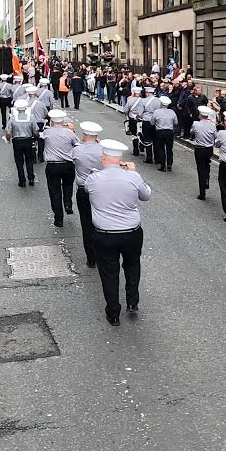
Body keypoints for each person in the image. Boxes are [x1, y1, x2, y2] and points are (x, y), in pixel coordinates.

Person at [85, 139, 151, 326]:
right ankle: (132, 300)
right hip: (131, 232)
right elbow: (146, 195)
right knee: (132, 265)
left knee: (109, 273)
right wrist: (133, 173)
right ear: (120, 160)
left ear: (104, 158)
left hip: (105, 234)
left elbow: (88, 190)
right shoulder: (133, 177)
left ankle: (113, 312)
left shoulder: (93, 178)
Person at [72, 122, 105, 269]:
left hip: (84, 190)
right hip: (101, 191)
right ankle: (102, 254)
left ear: (84, 135)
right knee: (102, 223)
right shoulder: (104, 150)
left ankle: (91, 258)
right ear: (97, 136)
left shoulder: (78, 150)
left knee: (86, 223)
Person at [40, 110, 79, 227]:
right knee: (68, 185)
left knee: (54, 191)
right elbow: (77, 144)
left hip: (52, 165)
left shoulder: (46, 132)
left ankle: (58, 218)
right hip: (67, 164)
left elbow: (39, 136)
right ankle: (68, 203)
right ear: (63, 121)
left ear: (52, 121)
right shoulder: (70, 133)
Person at [5, 99, 39, 188]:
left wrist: (8, 139)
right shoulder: (31, 118)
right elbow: (35, 131)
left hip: (17, 141)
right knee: (29, 160)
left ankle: (22, 181)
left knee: (19, 162)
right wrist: (36, 138)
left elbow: (8, 133)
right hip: (28, 140)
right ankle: (31, 178)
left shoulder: (12, 119)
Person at [191, 106, 217, 200]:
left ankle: (202, 193)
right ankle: (207, 178)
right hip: (209, 149)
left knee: (200, 169)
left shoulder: (196, 124)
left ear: (200, 115)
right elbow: (215, 136)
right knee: (207, 165)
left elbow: (192, 132)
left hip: (199, 149)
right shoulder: (212, 125)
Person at [152, 97, 179, 172]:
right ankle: (169, 164)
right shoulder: (172, 112)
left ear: (161, 104)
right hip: (169, 132)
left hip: (160, 132)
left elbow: (152, 122)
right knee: (169, 149)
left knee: (161, 148)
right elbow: (176, 122)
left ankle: (162, 165)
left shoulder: (157, 112)